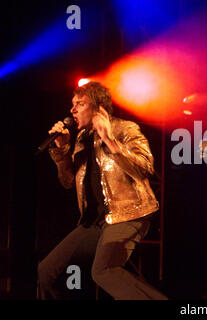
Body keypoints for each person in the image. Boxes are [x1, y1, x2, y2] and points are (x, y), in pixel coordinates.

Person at [38, 81, 167, 299]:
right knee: (46, 272)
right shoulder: (81, 140)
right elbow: (68, 182)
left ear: (99, 108)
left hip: (129, 213)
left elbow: (145, 168)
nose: (72, 110)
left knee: (104, 271)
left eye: (79, 104)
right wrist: (62, 152)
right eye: (72, 105)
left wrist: (110, 140)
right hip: (95, 221)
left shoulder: (126, 128)